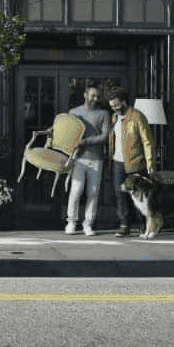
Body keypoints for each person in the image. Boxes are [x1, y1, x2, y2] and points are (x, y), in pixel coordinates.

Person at [62, 85, 111, 236]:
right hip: (78, 158)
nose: (95, 99)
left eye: (97, 96)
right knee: (76, 191)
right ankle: (71, 222)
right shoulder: (74, 112)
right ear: (85, 95)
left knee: (93, 193)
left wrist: (85, 141)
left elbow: (105, 136)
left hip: (96, 159)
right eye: (93, 96)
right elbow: (67, 132)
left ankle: (88, 224)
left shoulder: (103, 114)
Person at [108, 87, 156, 237]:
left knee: (139, 195)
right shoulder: (115, 117)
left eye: (116, 105)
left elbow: (147, 141)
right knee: (119, 194)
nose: (114, 108)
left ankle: (143, 224)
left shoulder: (137, 116)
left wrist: (150, 163)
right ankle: (124, 224)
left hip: (135, 162)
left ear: (124, 102)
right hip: (117, 162)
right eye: (111, 106)